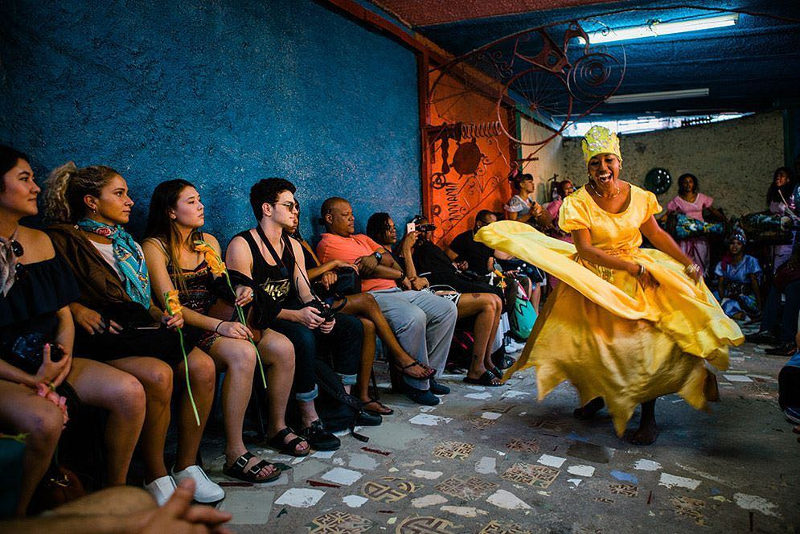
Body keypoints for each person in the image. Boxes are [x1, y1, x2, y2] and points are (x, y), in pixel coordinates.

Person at [475, 125, 742, 444]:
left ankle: (648, 418)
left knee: (643, 347)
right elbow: (586, 250)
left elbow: (655, 235)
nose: (603, 168)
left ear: (620, 162)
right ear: (587, 167)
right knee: (591, 346)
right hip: (594, 279)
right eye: (595, 163)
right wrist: (630, 266)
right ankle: (596, 398)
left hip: (638, 279)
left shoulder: (641, 197)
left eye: (608, 161)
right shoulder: (577, 202)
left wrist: (687, 262)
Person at [43, 163, 222, 505]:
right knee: (158, 375)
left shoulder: (128, 244)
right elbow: (58, 292)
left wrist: (163, 316)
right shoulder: (67, 240)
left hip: (140, 330)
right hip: (102, 337)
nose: (130, 201)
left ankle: (186, 465)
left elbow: (144, 303)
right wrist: (78, 310)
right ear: (91, 202)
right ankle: (154, 473)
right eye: (119, 193)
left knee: (203, 367)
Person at [0, 146, 146, 516]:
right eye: (24, 179)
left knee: (129, 392)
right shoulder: (67, 237)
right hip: (8, 369)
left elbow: (63, 313)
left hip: (50, 361)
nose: (35, 187)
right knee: (43, 420)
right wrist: (29, 378)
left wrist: (60, 362)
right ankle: (18, 518)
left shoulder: (40, 241)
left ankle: (113, 498)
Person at [143, 179, 306, 482]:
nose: (200, 205)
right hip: (188, 329)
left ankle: (277, 426)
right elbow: (171, 307)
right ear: (170, 211)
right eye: (191, 201)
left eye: (199, 199)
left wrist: (241, 290)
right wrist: (221, 325)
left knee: (283, 347)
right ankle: (235, 451)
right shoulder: (155, 247)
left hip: (219, 321)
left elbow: (223, 285)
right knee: (244, 354)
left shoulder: (208, 243)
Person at [226, 179, 367, 451]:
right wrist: (299, 317)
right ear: (267, 208)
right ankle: (308, 417)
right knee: (302, 337)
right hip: (261, 319)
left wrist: (323, 313)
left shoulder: (291, 245)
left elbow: (304, 291)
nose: (295, 212)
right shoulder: (242, 244)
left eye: (296, 206)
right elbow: (248, 305)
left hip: (289, 311)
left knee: (350, 327)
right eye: (288, 206)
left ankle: (342, 404)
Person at [317, 197, 457, 406]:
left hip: (396, 290)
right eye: (346, 215)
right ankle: (415, 385)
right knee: (413, 317)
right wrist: (382, 264)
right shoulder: (328, 243)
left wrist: (378, 259)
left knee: (447, 309)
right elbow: (365, 269)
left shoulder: (362, 239)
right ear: (329, 218)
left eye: (352, 214)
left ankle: (428, 374)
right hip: (373, 297)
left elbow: (393, 262)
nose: (352, 219)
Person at [291, 214, 435, 416]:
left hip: (320, 297)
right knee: (368, 300)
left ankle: (363, 397)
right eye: (289, 208)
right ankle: (402, 359)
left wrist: (326, 273)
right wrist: (331, 266)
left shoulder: (299, 242)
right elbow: (296, 278)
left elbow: (312, 272)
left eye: (297, 210)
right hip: (301, 304)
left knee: (367, 325)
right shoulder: (289, 244)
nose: (295, 215)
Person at [367, 213, 504, 385]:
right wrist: (407, 251)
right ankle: (475, 367)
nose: (394, 231)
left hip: (429, 293)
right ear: (377, 233)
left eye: (394, 227)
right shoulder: (393, 253)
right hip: (419, 295)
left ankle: (486, 360)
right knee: (490, 302)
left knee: (496, 299)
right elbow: (412, 281)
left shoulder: (395, 253)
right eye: (389, 228)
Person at [664, 173, 723, 274]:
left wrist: (724, 219)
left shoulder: (702, 198)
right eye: (685, 182)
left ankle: (700, 283)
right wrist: (655, 221)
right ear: (681, 185)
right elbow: (667, 215)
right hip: (685, 236)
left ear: (694, 184)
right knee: (684, 261)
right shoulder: (677, 200)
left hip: (700, 234)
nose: (688, 185)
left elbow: (713, 210)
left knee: (701, 259)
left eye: (690, 182)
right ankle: (687, 284)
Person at [713, 229, 762, 321]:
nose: (734, 246)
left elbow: (755, 284)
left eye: (738, 244)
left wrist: (759, 305)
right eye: (732, 243)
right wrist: (723, 299)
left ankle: (745, 315)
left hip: (746, 297)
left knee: (729, 306)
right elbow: (720, 285)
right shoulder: (723, 263)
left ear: (743, 246)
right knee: (711, 301)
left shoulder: (750, 261)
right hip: (729, 295)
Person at [767, 167, 796, 271]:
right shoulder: (774, 195)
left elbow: (794, 218)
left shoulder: (791, 198)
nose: (778, 177)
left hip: (786, 240)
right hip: (774, 239)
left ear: (788, 179)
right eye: (777, 175)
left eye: (782, 175)